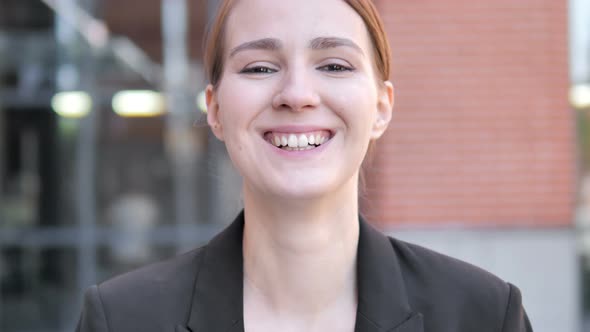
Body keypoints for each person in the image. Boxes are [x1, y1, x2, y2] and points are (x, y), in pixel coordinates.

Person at [76, 0, 533, 331]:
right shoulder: (123, 319)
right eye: (258, 68)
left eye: (334, 66)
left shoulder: (484, 314)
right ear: (215, 110)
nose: (296, 94)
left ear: (381, 107)